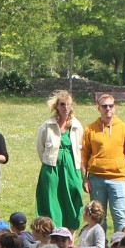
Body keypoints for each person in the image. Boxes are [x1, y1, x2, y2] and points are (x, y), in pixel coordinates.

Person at [80, 92, 125, 231]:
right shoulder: (90, 129)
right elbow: (84, 156)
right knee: (98, 217)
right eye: (104, 106)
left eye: (111, 106)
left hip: (117, 179)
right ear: (98, 108)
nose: (108, 109)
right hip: (96, 179)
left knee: (119, 216)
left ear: (115, 107)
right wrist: (85, 178)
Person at [34, 90, 87, 230]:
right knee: (51, 200)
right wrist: (49, 161)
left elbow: (81, 149)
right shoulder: (48, 125)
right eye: (62, 104)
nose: (66, 108)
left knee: (73, 198)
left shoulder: (76, 126)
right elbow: (41, 147)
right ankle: (52, 231)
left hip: (71, 167)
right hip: (52, 167)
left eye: (68, 104)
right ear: (56, 106)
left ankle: (70, 234)